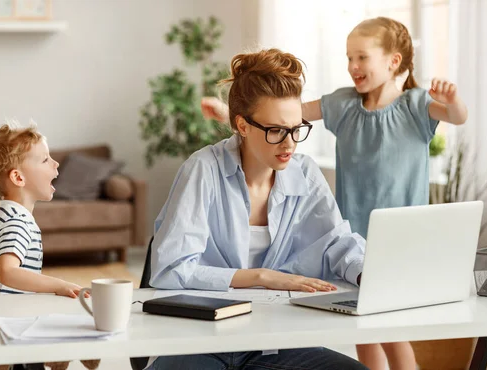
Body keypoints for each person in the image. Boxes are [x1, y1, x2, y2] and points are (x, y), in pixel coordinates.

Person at [201, 16, 468, 370]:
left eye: (362, 57)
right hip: (351, 234)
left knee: (392, 326)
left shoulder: (414, 105)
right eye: (348, 58)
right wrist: (229, 113)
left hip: (398, 236)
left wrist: (452, 99)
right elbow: (286, 117)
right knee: (363, 325)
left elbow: (457, 117)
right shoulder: (343, 103)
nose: (352, 66)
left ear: (394, 62)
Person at [149, 48, 368, 370]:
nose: (290, 144)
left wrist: (367, 272)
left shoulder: (304, 172)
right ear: (242, 125)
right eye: (276, 130)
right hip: (199, 337)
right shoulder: (203, 170)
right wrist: (262, 277)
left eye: (296, 129)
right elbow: (171, 269)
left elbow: (336, 243)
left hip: (273, 338)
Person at [0, 123, 100, 370]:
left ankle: (62, 353)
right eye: (45, 160)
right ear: (18, 177)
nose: (56, 164)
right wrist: (60, 286)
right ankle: (65, 352)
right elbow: (8, 272)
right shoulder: (15, 222)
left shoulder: (14, 216)